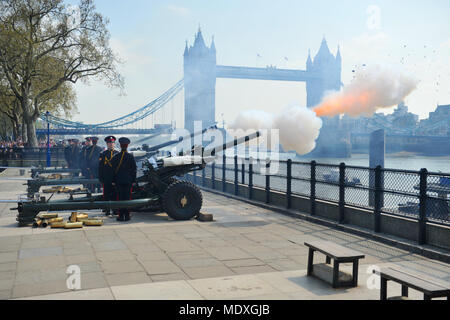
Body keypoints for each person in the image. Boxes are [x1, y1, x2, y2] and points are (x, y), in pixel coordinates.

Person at [111, 137, 137, 221]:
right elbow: (134, 170)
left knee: (120, 198)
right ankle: (127, 215)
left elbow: (113, 170)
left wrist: (113, 180)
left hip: (118, 181)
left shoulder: (116, 156)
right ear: (127, 146)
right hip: (128, 181)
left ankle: (121, 216)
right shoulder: (130, 156)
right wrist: (133, 180)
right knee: (127, 198)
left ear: (120, 146)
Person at [99, 136, 119, 216]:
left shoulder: (117, 153)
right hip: (106, 178)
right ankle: (107, 209)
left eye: (112, 143)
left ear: (114, 144)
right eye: (109, 143)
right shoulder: (103, 154)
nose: (111, 144)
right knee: (106, 195)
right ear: (107, 144)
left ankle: (115, 210)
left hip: (115, 178)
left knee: (115, 194)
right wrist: (101, 178)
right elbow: (100, 167)